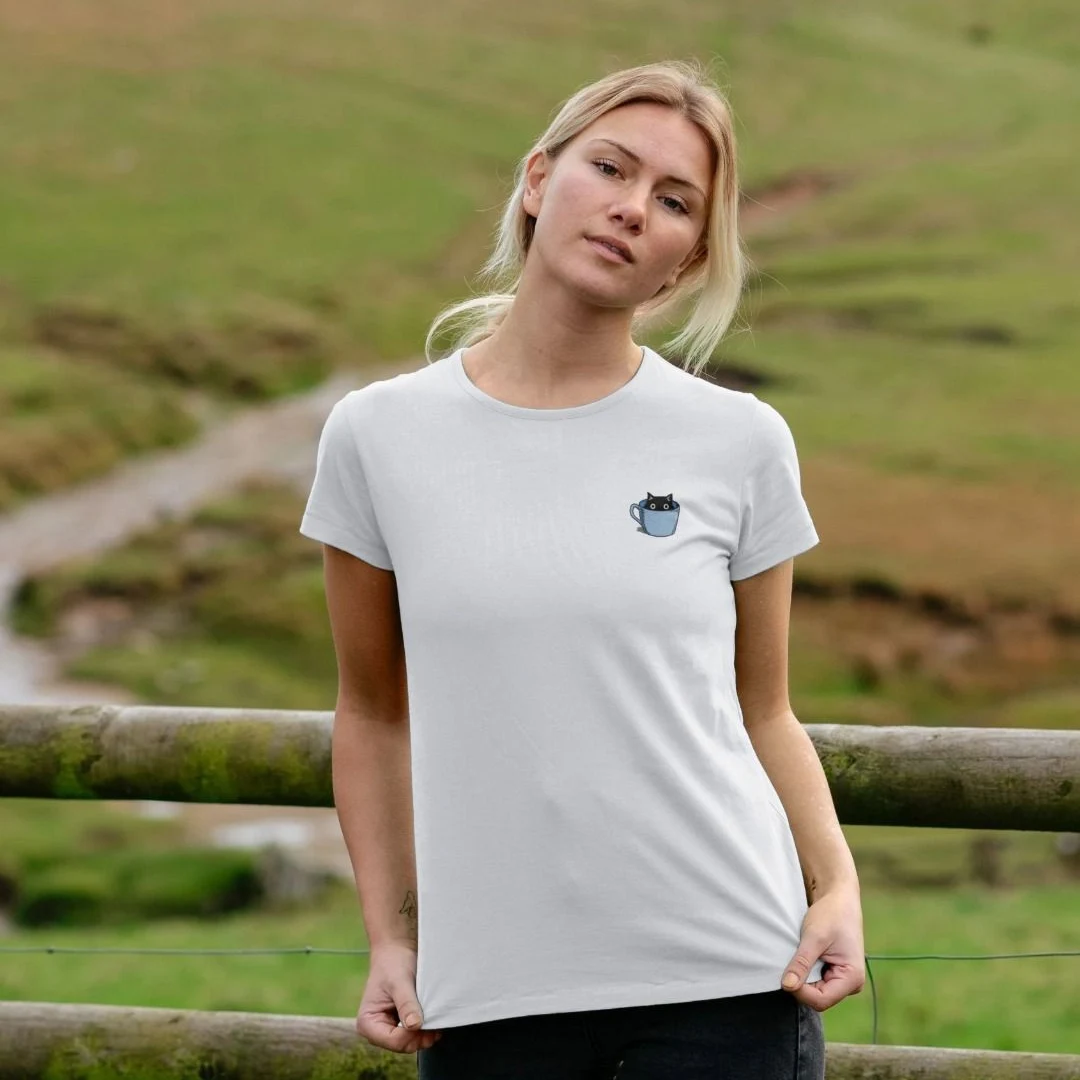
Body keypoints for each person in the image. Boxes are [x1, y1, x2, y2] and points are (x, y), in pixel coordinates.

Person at [299, 57, 864, 1080]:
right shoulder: (376, 436)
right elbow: (373, 713)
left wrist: (836, 887)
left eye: (675, 201)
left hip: (730, 979)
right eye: (610, 168)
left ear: (688, 260)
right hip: (485, 998)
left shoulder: (739, 440)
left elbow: (765, 711)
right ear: (536, 179)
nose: (632, 208)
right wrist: (391, 936)